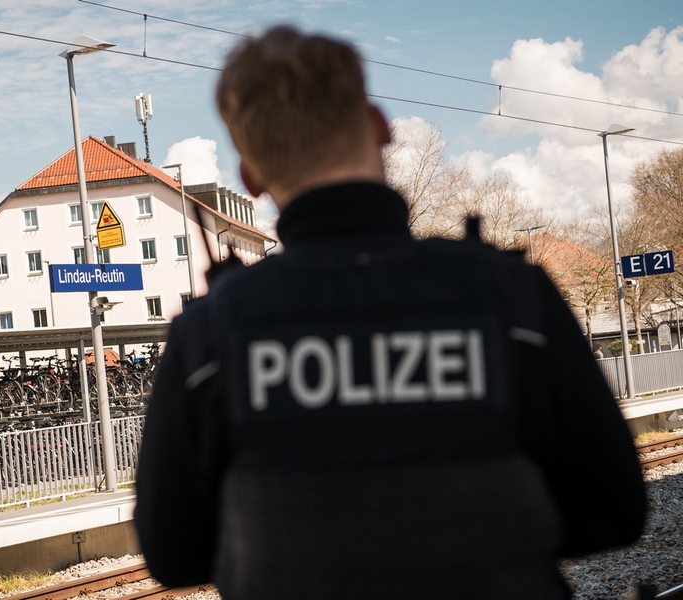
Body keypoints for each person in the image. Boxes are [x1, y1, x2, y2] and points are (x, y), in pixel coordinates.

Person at [134, 25, 646, 600]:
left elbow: (172, 554)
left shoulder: (209, 337)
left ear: (251, 177)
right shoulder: (511, 297)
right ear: (380, 126)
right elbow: (616, 509)